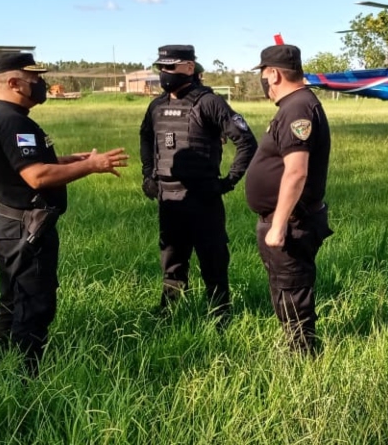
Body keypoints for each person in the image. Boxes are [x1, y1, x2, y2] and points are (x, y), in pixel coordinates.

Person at [0, 51, 129, 375]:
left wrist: (71, 159)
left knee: (13, 297)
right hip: (26, 228)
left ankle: (4, 359)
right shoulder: (13, 121)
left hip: (10, 223)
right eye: (35, 80)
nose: (43, 85)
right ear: (15, 82)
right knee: (34, 303)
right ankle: (25, 377)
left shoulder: (1, 117)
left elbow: (27, 165)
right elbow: (37, 176)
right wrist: (90, 166)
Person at [139, 45, 257, 322]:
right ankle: (168, 316)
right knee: (171, 261)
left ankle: (220, 317)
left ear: (189, 68)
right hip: (168, 198)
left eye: (170, 67)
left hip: (203, 199)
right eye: (161, 67)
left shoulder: (209, 102)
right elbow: (146, 138)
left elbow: (246, 142)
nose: (164, 73)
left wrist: (228, 182)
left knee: (213, 261)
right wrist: (148, 174)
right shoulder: (156, 106)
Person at [244, 44, 333, 354]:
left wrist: (279, 224)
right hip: (286, 219)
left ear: (274, 74)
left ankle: (303, 358)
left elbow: (296, 172)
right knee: (285, 288)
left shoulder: (297, 108)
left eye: (263, 73)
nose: (263, 81)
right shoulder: (295, 105)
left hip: (293, 222)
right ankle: (297, 348)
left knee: (293, 291)